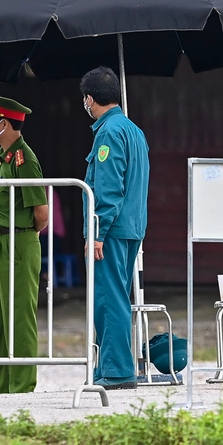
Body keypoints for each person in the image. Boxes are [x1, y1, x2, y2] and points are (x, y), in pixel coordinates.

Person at [80, 67, 150, 391]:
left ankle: (116, 370)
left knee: (109, 300)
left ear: (90, 99)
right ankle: (114, 366)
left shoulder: (108, 132)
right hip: (132, 226)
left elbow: (108, 190)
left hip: (112, 229)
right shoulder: (134, 130)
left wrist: (96, 232)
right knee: (118, 296)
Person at [0, 90, 49, 394]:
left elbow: (42, 213)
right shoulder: (4, 157)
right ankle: (3, 386)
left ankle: (21, 387)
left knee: (19, 316)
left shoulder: (24, 159)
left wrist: (27, 235)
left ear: (5, 124)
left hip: (19, 243)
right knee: (1, 317)